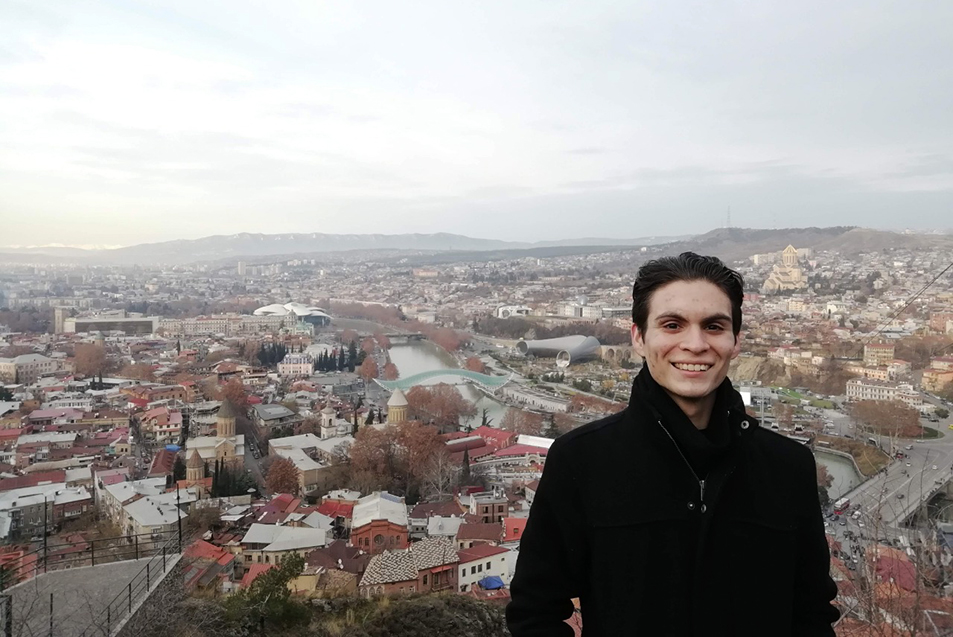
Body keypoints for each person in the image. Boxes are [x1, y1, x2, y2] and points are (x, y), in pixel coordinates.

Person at [507, 252, 839, 636]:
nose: (695, 344)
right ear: (639, 338)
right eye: (672, 325)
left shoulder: (788, 466)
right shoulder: (580, 462)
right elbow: (535, 613)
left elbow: (812, 613)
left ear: (735, 342)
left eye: (714, 326)